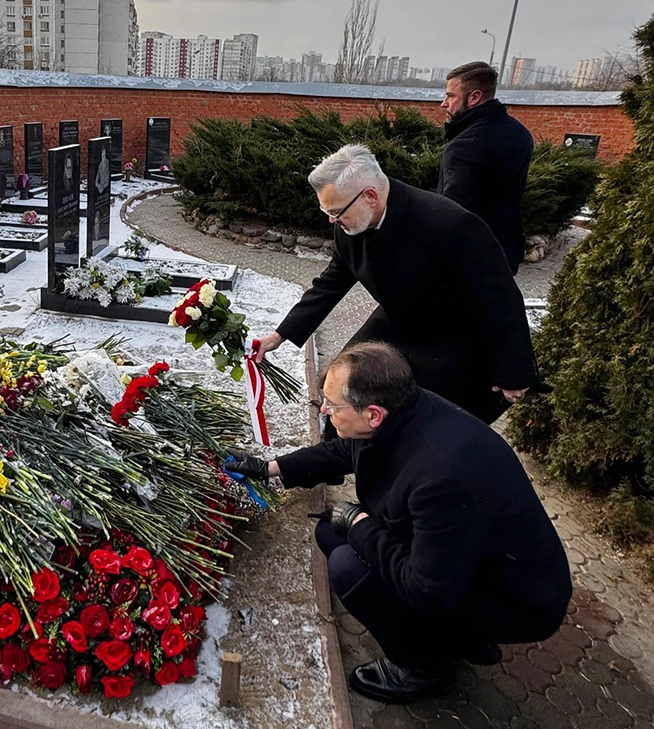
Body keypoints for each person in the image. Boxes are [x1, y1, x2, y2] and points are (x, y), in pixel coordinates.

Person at [225, 342, 571, 704]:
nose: (325, 411)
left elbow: (427, 589)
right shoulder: (403, 409)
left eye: (333, 405)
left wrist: (360, 524)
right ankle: (459, 639)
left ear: (373, 414)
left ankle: (426, 670)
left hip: (517, 597)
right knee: (330, 531)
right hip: (467, 559)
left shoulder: (442, 475)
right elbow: (345, 451)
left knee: (348, 569)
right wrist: (269, 469)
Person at [255, 144, 538, 425]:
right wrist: (281, 334)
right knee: (343, 391)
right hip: (395, 322)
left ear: (370, 196)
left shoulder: (450, 225)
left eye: (337, 211)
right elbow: (332, 281)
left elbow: (500, 300)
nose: (332, 219)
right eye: (327, 210)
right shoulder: (351, 223)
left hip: (451, 338)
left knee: (421, 425)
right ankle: (330, 461)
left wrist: (513, 373)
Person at [438, 61, 534, 274]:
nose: (443, 103)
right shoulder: (521, 134)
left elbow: (449, 211)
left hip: (466, 258)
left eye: (451, 96)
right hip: (505, 249)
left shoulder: (465, 146)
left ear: (474, 97)